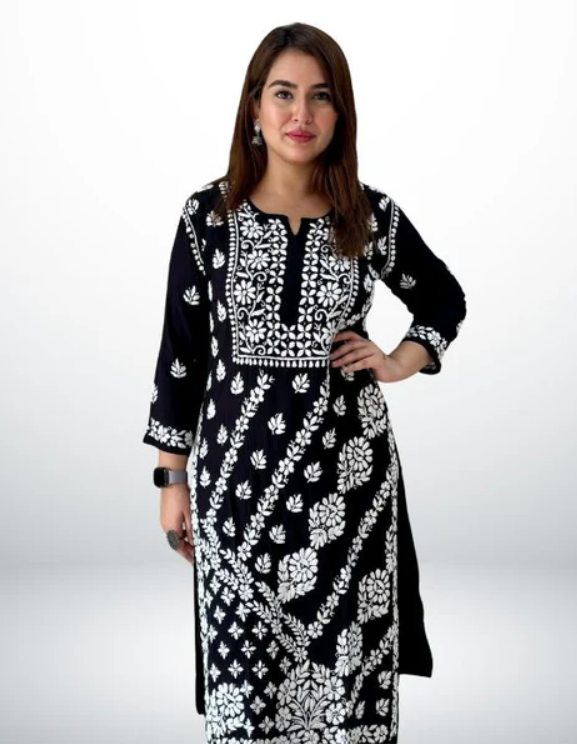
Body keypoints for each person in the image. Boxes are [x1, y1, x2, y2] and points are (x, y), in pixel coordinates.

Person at [142, 21, 466, 744]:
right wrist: (171, 480)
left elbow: (443, 299)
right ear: (254, 106)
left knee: (348, 691)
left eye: (321, 97)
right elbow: (181, 358)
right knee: (246, 695)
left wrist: (399, 359)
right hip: (237, 495)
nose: (301, 114)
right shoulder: (207, 218)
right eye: (283, 94)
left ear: (340, 113)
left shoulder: (368, 215)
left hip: (348, 493)